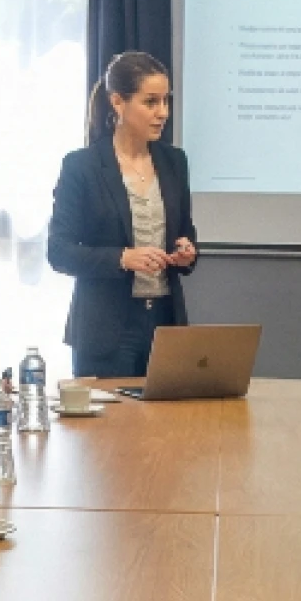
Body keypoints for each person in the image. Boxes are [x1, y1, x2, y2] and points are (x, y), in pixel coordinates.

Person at [47, 50, 198, 379]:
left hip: (165, 322)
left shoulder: (175, 162)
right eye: (151, 102)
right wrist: (123, 258)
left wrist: (186, 251)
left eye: (166, 101)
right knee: (110, 415)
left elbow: (185, 230)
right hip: (106, 329)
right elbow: (59, 252)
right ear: (118, 102)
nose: (162, 112)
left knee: (170, 413)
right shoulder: (82, 166)